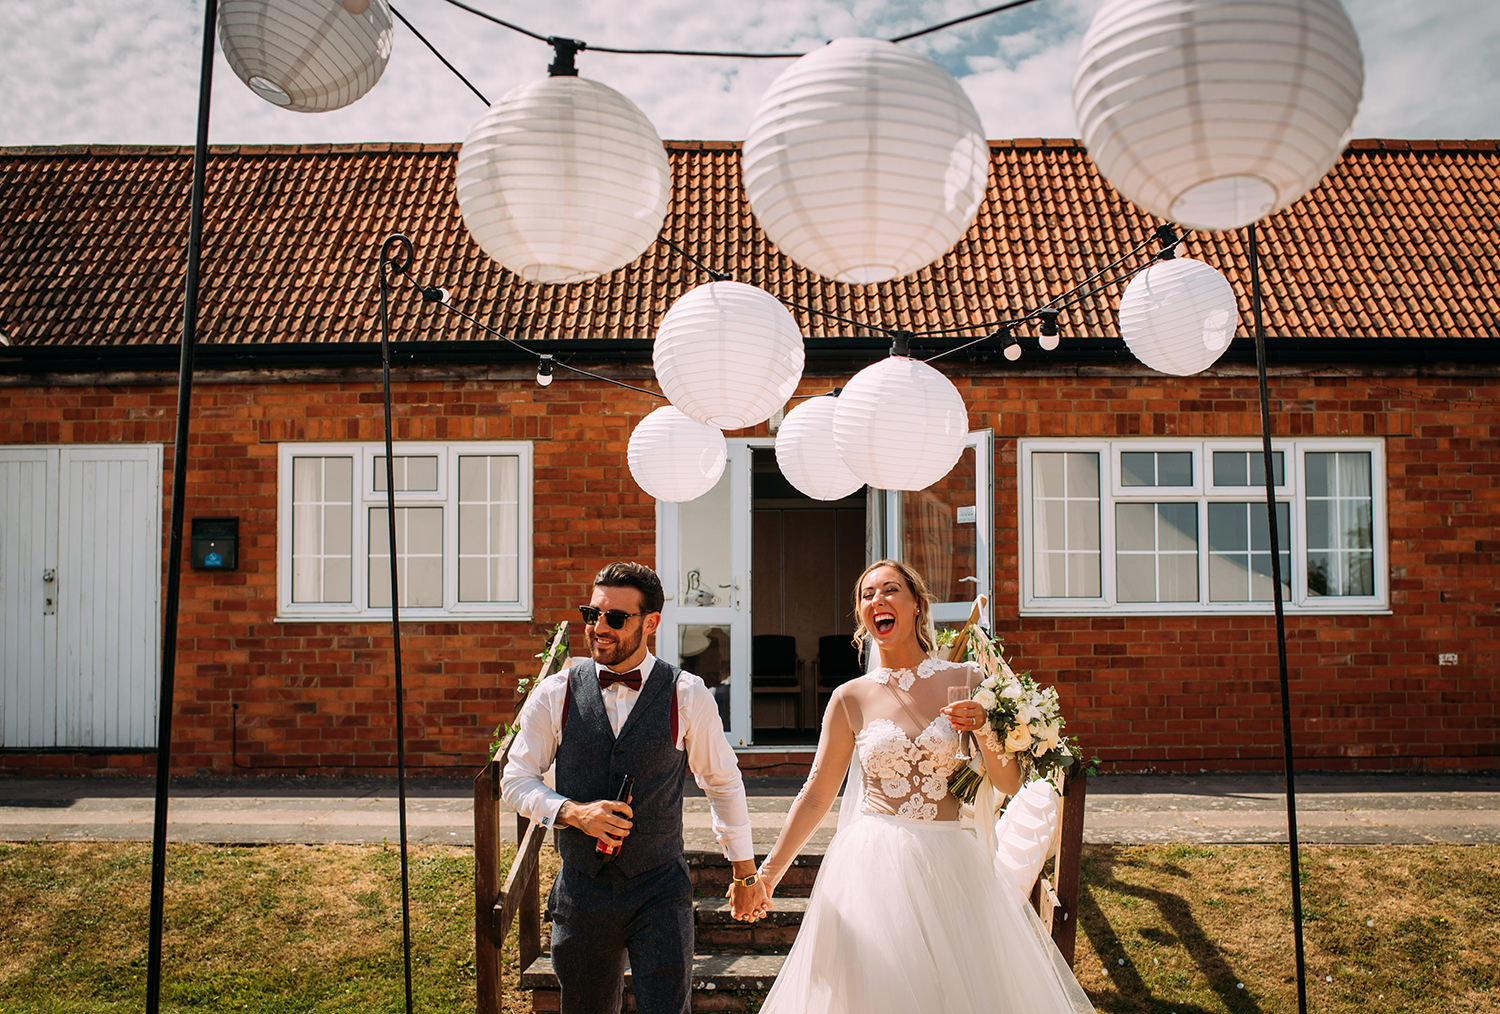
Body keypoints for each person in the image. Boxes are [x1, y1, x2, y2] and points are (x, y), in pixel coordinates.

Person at [748, 560, 1095, 1014]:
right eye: (867, 595)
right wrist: (767, 874)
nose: (878, 601)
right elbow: (816, 794)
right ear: (862, 616)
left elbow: (1009, 783)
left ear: (916, 606)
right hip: (870, 866)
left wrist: (987, 726)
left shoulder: (967, 679)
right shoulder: (849, 697)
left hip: (949, 864)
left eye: (891, 590)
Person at [501, 561, 767, 1014]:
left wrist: (744, 873)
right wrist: (572, 812)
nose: (599, 628)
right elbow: (516, 779)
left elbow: (722, 782)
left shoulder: (687, 693)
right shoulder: (557, 692)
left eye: (615, 618)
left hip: (659, 888)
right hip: (581, 889)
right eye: (593, 614)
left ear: (651, 623)